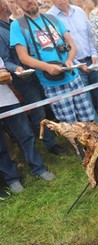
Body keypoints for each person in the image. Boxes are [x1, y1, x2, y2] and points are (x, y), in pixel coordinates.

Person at [10, 0, 95, 123]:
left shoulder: (52, 18)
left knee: (88, 118)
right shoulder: (17, 25)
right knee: (69, 125)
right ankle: (77, 143)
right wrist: (47, 67)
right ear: (18, 3)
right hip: (52, 83)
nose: (29, 1)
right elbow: (23, 57)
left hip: (73, 77)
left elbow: (71, 43)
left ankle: (93, 142)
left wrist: (69, 60)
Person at [0, 0, 66, 155]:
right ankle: (50, 144)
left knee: (53, 104)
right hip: (27, 79)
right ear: (2, 7)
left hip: (41, 71)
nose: (12, 4)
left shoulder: (14, 23)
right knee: (38, 111)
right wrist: (16, 68)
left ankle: (63, 133)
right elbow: (5, 60)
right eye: (8, 2)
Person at [47, 0, 98, 127]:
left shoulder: (78, 11)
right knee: (86, 101)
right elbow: (58, 46)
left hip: (92, 60)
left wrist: (95, 54)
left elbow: (90, 35)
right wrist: (76, 63)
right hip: (73, 66)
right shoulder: (50, 18)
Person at [0, 57, 56, 194]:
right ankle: (12, 179)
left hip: (7, 100)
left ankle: (38, 168)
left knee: (25, 135)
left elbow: (2, 70)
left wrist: (6, 77)